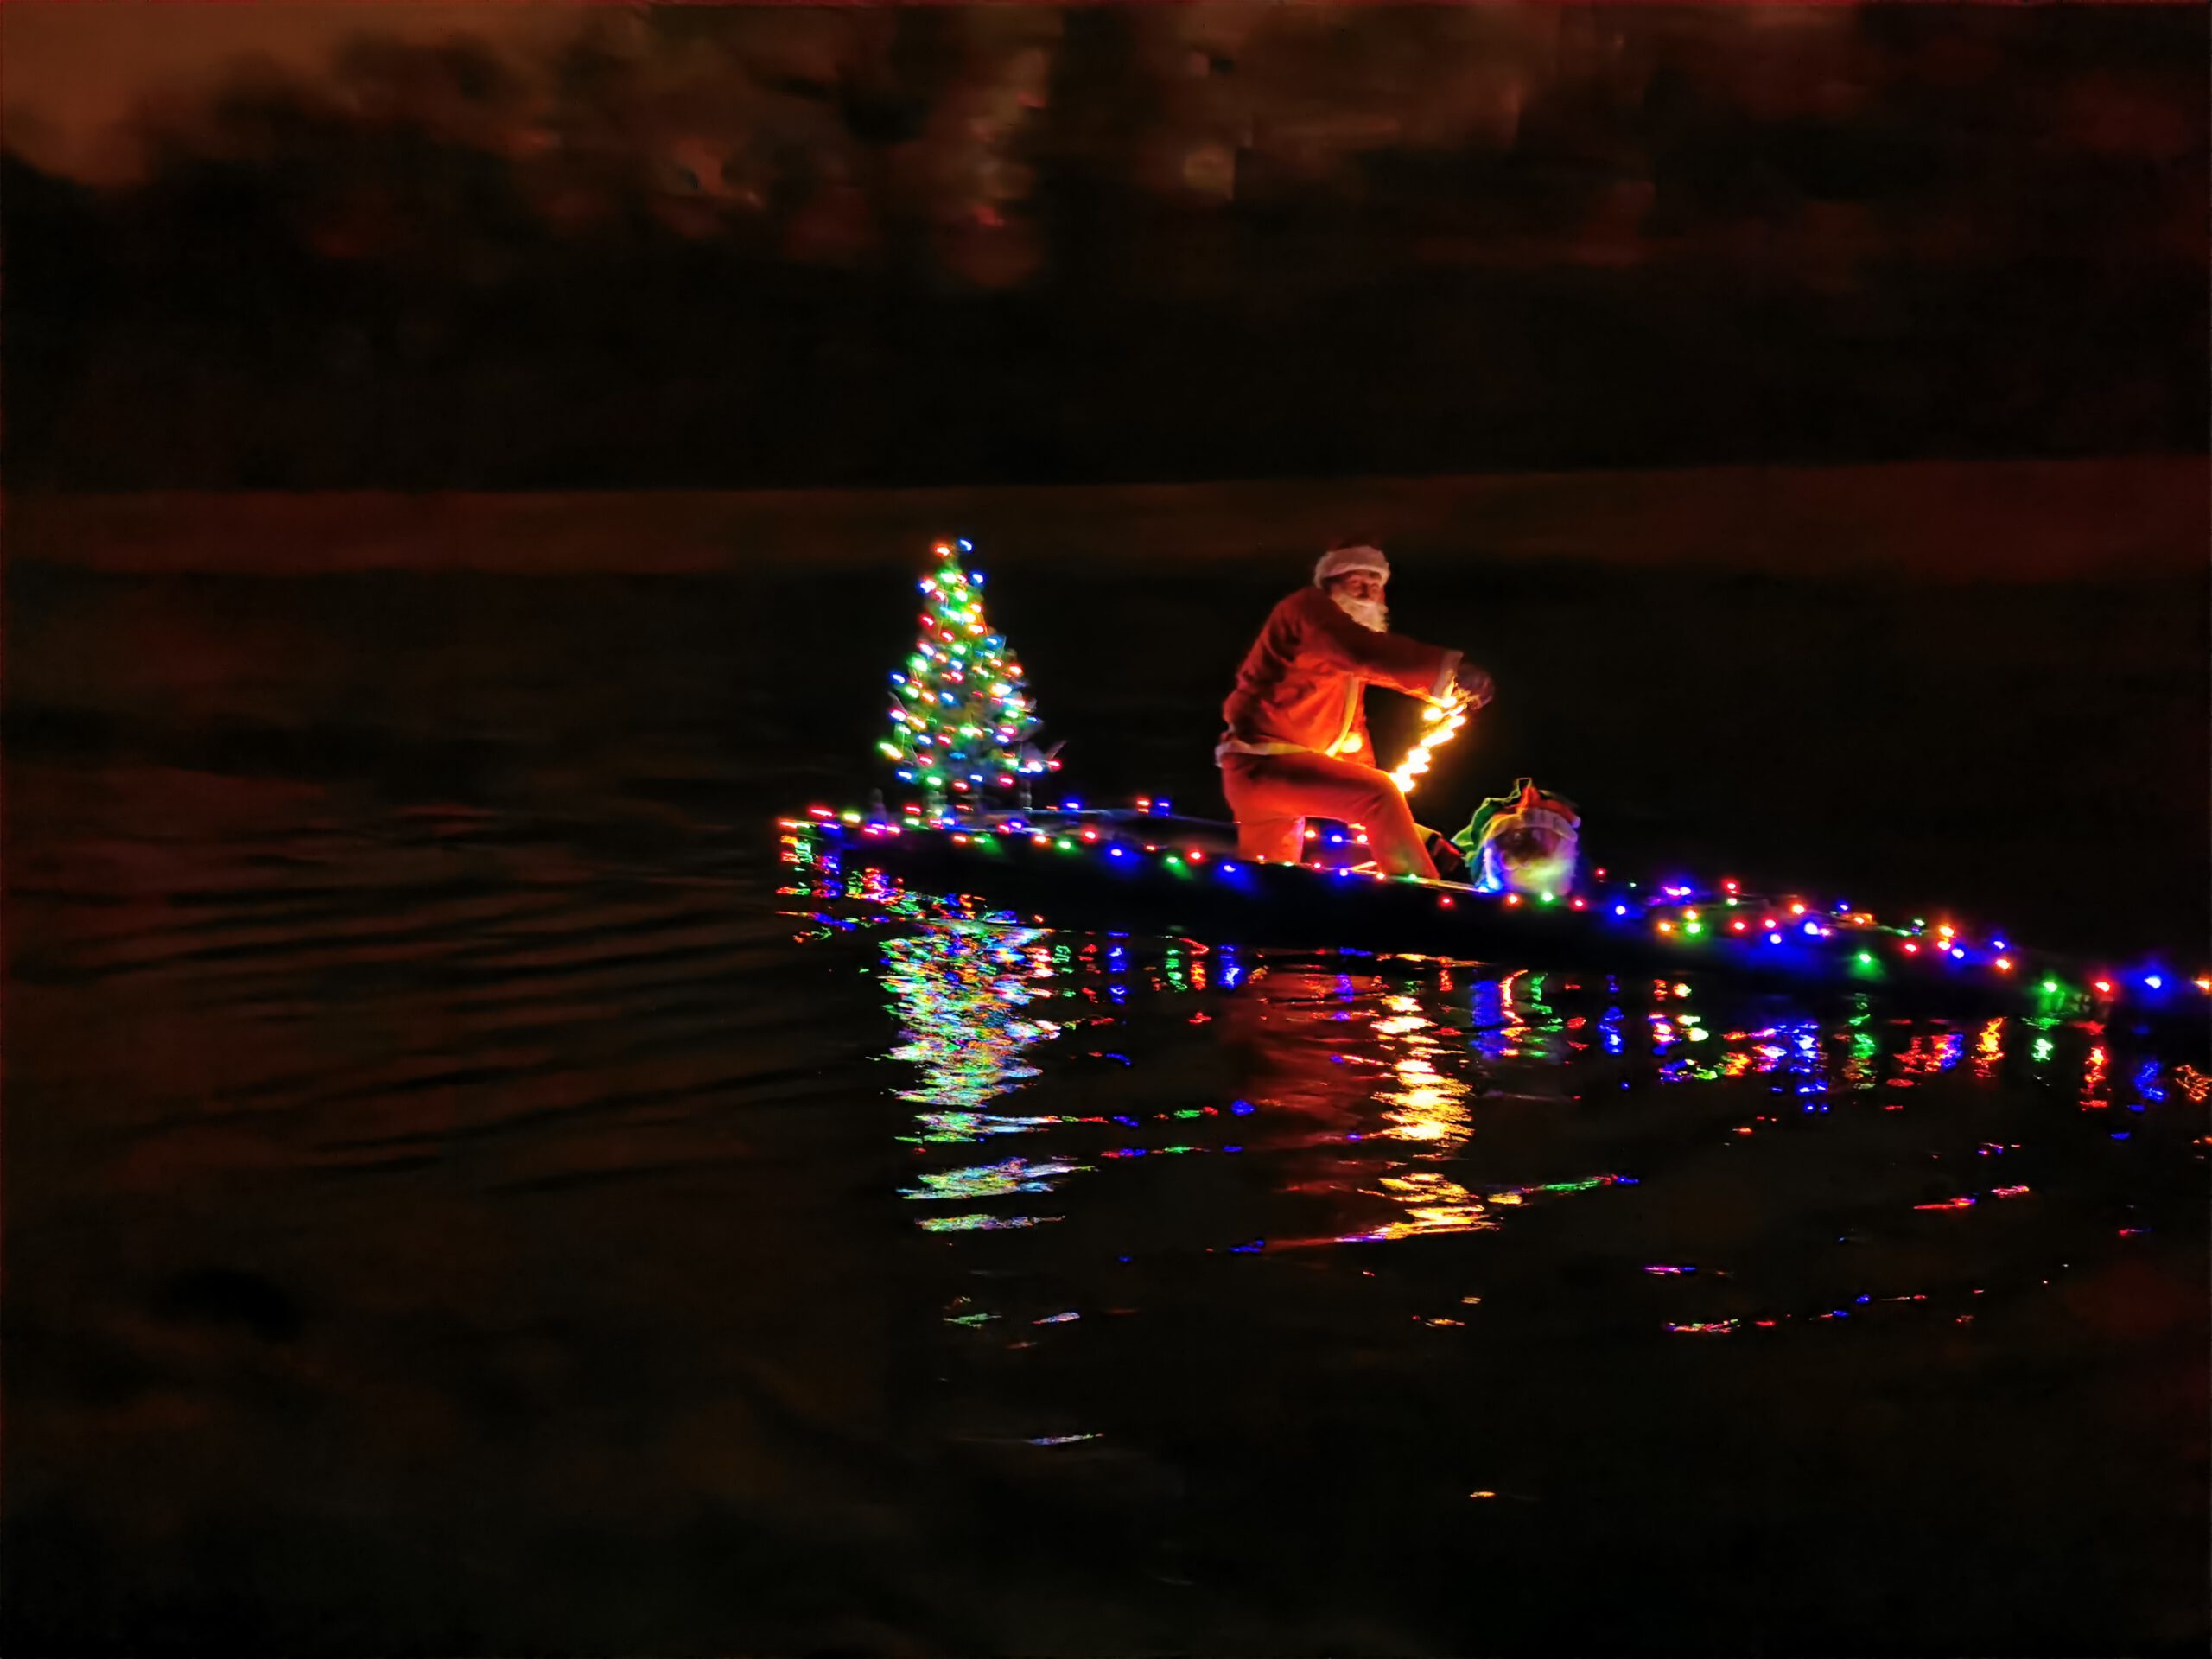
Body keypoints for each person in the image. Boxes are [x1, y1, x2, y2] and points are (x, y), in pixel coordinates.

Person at [1217, 543, 1492, 878]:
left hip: (1262, 772)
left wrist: (1381, 808)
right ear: (1329, 584)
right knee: (1378, 794)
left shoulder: (1342, 664)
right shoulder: (1306, 610)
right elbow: (1361, 652)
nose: (1367, 592)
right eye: (1356, 581)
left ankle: (1267, 923)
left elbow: (1351, 735)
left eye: (1376, 584)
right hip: (1266, 763)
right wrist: (1450, 673)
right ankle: (1422, 902)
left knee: (1269, 875)